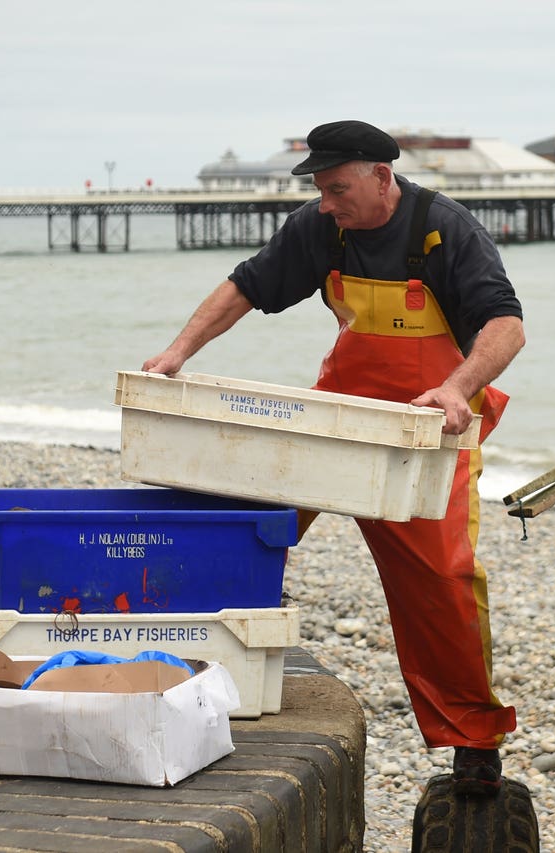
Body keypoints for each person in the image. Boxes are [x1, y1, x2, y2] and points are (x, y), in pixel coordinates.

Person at [143, 120, 525, 795]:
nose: (326, 202)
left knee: (441, 581)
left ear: (383, 177)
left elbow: (506, 326)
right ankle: (195, 673)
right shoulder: (322, 227)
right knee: (255, 528)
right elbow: (247, 286)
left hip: (426, 430)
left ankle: (473, 741)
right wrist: (178, 353)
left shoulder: (445, 229)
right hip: (343, 414)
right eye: (319, 189)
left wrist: (458, 387)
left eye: (337, 188)